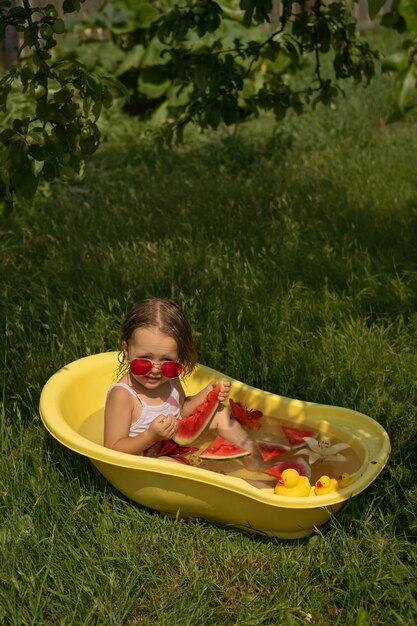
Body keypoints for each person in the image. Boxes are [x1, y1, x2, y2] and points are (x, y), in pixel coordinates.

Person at [104, 297, 265, 472]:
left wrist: (205, 395)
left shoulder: (170, 377)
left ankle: (256, 463)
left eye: (167, 360)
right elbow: (113, 448)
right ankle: (224, 481)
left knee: (221, 412)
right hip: (146, 462)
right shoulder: (123, 395)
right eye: (145, 358)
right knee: (167, 463)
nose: (157, 370)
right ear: (126, 350)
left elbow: (180, 411)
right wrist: (150, 436)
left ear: (178, 357)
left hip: (176, 446)